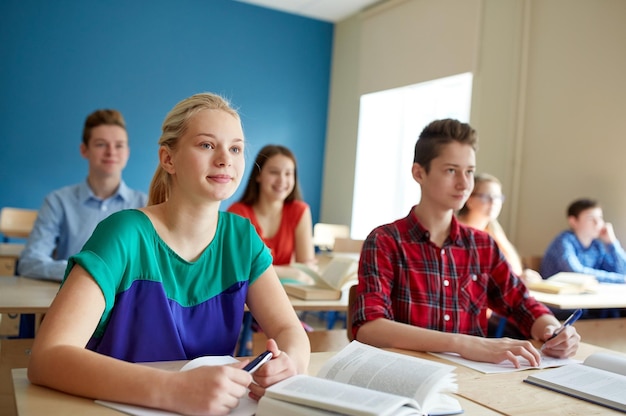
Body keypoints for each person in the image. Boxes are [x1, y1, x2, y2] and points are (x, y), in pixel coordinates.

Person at [28, 93, 310, 415]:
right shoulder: (124, 234)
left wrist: (291, 364)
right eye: (206, 145)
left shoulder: (242, 238)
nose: (224, 159)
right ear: (168, 159)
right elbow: (46, 357)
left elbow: (290, 331)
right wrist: (175, 389)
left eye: (235, 148)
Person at [351, 118, 580, 368]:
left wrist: (554, 331)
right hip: (404, 375)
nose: (464, 183)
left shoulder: (481, 245)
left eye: (469, 171)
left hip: (471, 378)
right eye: (451, 170)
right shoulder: (385, 241)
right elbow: (369, 328)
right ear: (419, 173)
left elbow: (521, 303)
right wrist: (463, 344)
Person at [18, 109, 147, 281]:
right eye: (101, 144)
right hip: (71, 300)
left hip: (126, 303)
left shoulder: (146, 205)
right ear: (84, 150)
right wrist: (85, 273)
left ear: (127, 152)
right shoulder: (58, 202)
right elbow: (30, 262)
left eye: (119, 145)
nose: (111, 152)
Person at [228, 144, 316, 284]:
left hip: (290, 295)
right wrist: (290, 271)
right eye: (274, 172)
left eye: (288, 174)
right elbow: (236, 269)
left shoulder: (300, 211)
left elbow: (307, 270)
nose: (282, 180)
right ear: (258, 175)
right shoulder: (237, 212)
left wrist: (261, 270)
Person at [457, 173, 542, 285]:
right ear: (469, 200)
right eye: (486, 197)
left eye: (498, 197)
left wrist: (525, 276)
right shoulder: (458, 233)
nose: (493, 203)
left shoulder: (494, 231)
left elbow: (511, 271)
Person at [541, 198, 626, 284]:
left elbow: (621, 271)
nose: (597, 223)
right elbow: (575, 272)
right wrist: (622, 279)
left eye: (600, 217)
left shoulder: (596, 245)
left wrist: (612, 243)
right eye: (590, 218)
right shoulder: (564, 241)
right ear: (573, 221)